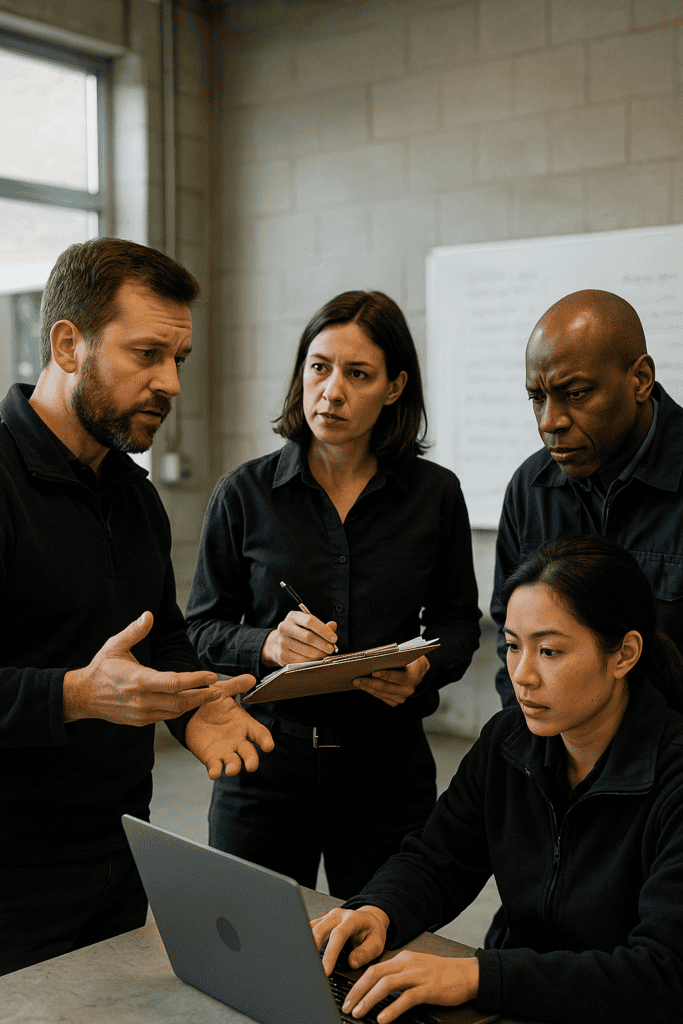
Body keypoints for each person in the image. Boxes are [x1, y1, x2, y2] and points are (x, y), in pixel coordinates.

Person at [0, 237, 273, 976]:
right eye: (147, 354)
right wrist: (75, 696)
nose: (171, 383)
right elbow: (88, 689)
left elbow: (165, 641)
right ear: (67, 344)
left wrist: (193, 706)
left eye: (177, 359)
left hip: (118, 859)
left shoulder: (135, 495)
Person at [312, 536, 683, 1024]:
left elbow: (662, 975)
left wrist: (477, 976)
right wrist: (378, 909)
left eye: (549, 651)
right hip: (516, 1001)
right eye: (512, 646)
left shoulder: (673, 777)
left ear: (624, 654)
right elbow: (439, 857)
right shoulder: (510, 739)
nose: (522, 675)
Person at [186, 290, 481, 899]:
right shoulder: (244, 493)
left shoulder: (436, 495)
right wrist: (266, 643)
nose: (332, 390)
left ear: (395, 387)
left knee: (379, 957)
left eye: (358, 374)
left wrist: (423, 669)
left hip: (386, 768)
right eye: (318, 367)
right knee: (252, 950)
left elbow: (459, 624)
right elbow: (201, 628)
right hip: (264, 758)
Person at [492, 288, 683, 708]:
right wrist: (532, 749)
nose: (550, 422)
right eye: (537, 398)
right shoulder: (530, 487)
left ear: (640, 380)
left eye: (575, 394)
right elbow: (509, 636)